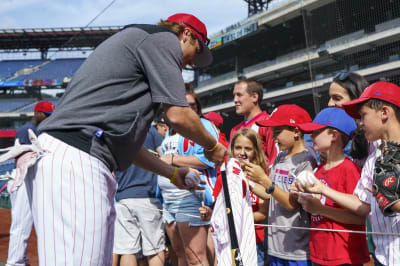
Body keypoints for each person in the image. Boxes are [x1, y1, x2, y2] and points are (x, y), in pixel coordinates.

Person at [19, 13, 226, 265]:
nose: (192, 62)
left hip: (76, 155)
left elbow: (128, 147)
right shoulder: (162, 40)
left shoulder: (140, 54)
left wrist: (172, 173)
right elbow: (179, 115)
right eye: (197, 49)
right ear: (186, 33)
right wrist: (212, 145)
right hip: (77, 157)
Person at [296, 81, 400, 266]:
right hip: (384, 256)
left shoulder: (354, 166)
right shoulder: (372, 159)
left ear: (384, 112)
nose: (360, 123)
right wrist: (322, 189)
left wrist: (394, 201)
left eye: (363, 115)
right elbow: (363, 205)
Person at [243, 104, 317, 266]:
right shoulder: (280, 157)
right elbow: (271, 194)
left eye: (277, 132)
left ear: (296, 132)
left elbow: (291, 204)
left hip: (296, 250)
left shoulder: (307, 160)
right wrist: (247, 182)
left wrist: (264, 179)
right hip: (275, 245)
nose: (274, 138)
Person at [295, 107, 369, 265]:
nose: (311, 136)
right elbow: (316, 208)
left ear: (334, 135)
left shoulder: (349, 169)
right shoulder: (319, 170)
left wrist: (320, 209)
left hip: (343, 255)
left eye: (316, 132)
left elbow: (359, 217)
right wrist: (302, 196)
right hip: (319, 252)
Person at [158, 90, 218, 266]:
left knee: (195, 257)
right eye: (183, 105)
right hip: (168, 200)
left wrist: (170, 159)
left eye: (192, 105)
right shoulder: (171, 132)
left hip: (190, 197)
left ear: (198, 108)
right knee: (179, 253)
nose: (188, 108)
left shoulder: (203, 126)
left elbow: (209, 158)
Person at [7, 101, 54, 266]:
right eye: (47, 115)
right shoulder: (27, 130)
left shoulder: (40, 130)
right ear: (38, 114)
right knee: (21, 224)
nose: (48, 118)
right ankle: (15, 263)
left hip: (30, 178)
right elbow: (23, 159)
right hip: (22, 178)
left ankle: (21, 259)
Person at [112, 126, 165, 266]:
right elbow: (164, 157)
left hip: (122, 197)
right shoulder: (150, 130)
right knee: (155, 248)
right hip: (147, 196)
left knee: (127, 250)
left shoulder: (115, 130)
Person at [230, 79, 278, 168]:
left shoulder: (268, 123)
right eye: (234, 96)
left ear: (254, 97)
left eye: (239, 95)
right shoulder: (234, 130)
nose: (235, 100)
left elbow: (274, 161)